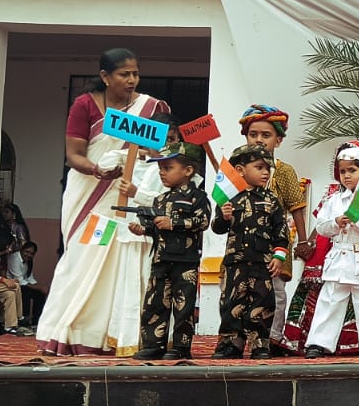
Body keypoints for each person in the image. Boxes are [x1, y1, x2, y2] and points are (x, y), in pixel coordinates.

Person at [36, 48, 170, 356]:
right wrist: (99, 169)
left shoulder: (150, 108)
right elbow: (74, 156)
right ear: (105, 77)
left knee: (123, 261)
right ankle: (68, 332)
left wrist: (137, 160)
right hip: (90, 195)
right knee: (82, 259)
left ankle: (116, 336)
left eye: (136, 73)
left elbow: (161, 153)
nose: (132, 80)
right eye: (124, 74)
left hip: (128, 192)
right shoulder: (85, 105)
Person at [285, 140, 359, 356]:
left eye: (352, 170)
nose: (346, 176)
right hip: (339, 258)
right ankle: (318, 343)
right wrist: (336, 222)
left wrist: (357, 220)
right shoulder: (334, 200)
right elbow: (321, 226)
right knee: (329, 301)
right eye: (343, 171)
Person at [236, 104, 311, 356]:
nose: (259, 139)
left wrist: (303, 241)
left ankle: (272, 339)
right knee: (239, 292)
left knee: (275, 292)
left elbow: (297, 206)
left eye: (266, 135)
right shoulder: (237, 170)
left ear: (278, 140)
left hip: (275, 245)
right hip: (243, 245)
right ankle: (237, 340)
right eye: (253, 134)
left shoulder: (284, 171)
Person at [128, 142, 211, 360]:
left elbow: (203, 222)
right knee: (155, 303)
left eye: (168, 168)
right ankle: (153, 345)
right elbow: (156, 228)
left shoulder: (198, 197)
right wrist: (143, 229)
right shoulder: (160, 199)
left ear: (188, 170)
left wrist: (173, 222)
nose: (162, 173)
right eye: (160, 168)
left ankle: (181, 347)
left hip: (185, 262)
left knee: (183, 306)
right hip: (160, 259)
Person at [210, 144, 289, 360]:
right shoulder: (228, 198)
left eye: (268, 168)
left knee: (262, 304)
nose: (265, 173)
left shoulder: (271, 200)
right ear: (240, 170)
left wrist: (279, 256)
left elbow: (281, 231)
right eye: (259, 167)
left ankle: (260, 345)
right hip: (235, 262)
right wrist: (223, 217)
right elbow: (217, 228)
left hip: (262, 263)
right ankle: (231, 344)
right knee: (231, 303)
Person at [6, 241, 47, 327]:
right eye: (27, 252)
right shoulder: (14, 259)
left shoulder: (29, 261)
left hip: (22, 284)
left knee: (40, 294)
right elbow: (20, 281)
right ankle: (24, 320)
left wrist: (42, 287)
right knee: (26, 291)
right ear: (22, 250)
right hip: (12, 285)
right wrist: (39, 287)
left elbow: (30, 279)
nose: (29, 255)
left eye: (32, 254)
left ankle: (36, 322)